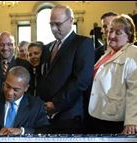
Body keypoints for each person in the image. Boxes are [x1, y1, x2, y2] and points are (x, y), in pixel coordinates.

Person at [88, 14, 137, 135]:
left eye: (118, 33)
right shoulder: (107, 54)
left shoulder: (136, 53)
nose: (111, 36)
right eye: (110, 31)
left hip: (119, 121)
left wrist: (133, 121)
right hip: (100, 116)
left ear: (129, 36)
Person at [36, 5, 95, 134]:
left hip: (69, 115)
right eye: (51, 24)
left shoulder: (83, 44)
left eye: (58, 24)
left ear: (70, 21)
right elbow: (42, 78)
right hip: (45, 116)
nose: (53, 29)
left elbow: (81, 81)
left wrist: (56, 105)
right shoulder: (47, 48)